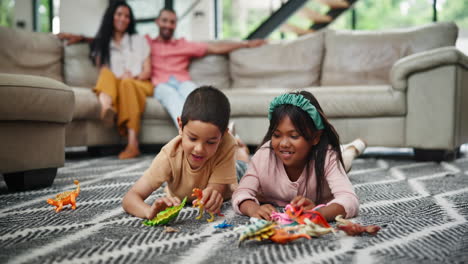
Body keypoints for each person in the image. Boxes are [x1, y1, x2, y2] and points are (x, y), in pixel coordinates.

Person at [232, 91, 362, 222]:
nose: (283, 144)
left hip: (332, 160)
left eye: (294, 136)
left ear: (315, 137)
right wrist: (253, 208)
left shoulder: (328, 157)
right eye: (277, 135)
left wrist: (317, 213)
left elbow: (350, 200)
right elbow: (241, 192)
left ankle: (353, 149)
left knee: (345, 160)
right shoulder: (263, 156)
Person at [122, 86, 249, 219]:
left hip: (232, 173)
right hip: (184, 183)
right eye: (193, 138)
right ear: (181, 126)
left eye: (210, 142)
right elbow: (130, 198)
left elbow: (216, 188)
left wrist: (213, 194)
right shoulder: (169, 156)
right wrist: (149, 211)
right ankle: (239, 148)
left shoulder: (226, 143)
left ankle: (241, 150)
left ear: (223, 136)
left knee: (245, 169)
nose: (199, 149)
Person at [147, 8, 266, 126]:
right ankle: (188, 132)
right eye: (164, 20)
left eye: (172, 22)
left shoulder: (184, 45)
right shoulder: (147, 44)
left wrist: (246, 44)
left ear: (176, 24)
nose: (168, 25)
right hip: (161, 85)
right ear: (157, 21)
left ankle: (219, 132)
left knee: (199, 97)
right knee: (171, 96)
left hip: (183, 82)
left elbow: (215, 48)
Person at [85, 1, 152, 160]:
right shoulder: (102, 44)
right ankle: (107, 107)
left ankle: (132, 145)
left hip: (139, 83)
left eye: (127, 16)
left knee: (126, 83)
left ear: (130, 20)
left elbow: (147, 71)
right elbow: (103, 72)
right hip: (116, 84)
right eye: (119, 14)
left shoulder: (139, 40)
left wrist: (133, 76)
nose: (123, 18)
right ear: (111, 16)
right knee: (107, 73)